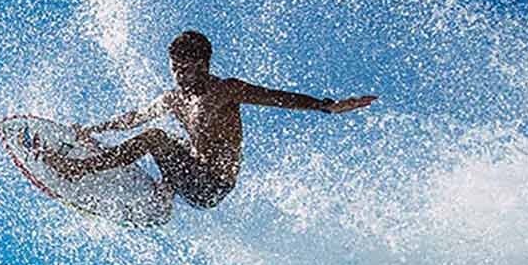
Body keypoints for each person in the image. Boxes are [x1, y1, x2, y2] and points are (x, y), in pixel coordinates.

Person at [39, 30, 377, 209]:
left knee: (157, 138)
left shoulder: (225, 91)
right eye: (175, 67)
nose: (179, 75)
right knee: (167, 137)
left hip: (213, 186)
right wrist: (93, 129)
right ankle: (166, 189)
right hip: (191, 176)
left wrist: (326, 106)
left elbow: (277, 97)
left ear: (204, 64)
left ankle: (75, 170)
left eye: (186, 68)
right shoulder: (173, 98)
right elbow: (134, 117)